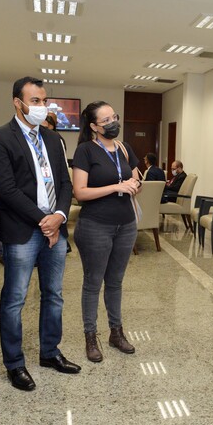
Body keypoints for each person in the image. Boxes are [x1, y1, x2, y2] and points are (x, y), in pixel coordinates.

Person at [0, 77, 79, 392]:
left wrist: (59, 216)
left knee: (54, 295)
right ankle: (14, 364)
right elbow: (7, 190)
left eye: (44, 100)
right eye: (35, 101)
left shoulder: (53, 139)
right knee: (15, 299)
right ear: (18, 102)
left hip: (55, 228)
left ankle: (50, 352)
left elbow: (65, 183)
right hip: (23, 230)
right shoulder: (1, 137)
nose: (42, 106)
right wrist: (44, 221)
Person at [72, 101, 141, 362]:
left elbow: (136, 179)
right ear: (93, 126)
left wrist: (134, 184)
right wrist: (116, 187)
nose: (113, 123)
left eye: (114, 117)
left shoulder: (124, 148)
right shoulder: (85, 150)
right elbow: (80, 193)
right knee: (93, 283)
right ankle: (90, 337)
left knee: (115, 282)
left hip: (126, 224)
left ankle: (116, 332)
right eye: (106, 120)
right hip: (95, 226)